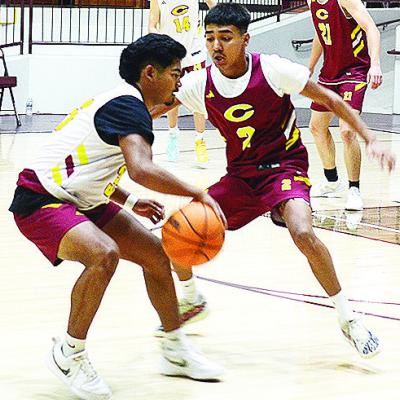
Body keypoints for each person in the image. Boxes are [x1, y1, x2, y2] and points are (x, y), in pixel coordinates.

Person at [151, 3, 395, 357]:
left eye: (226, 38)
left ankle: (348, 319)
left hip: (284, 167)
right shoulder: (199, 82)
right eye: (210, 38)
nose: (216, 46)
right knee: (179, 231)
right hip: (241, 177)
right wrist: (108, 127)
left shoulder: (274, 69)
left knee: (302, 231)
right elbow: (153, 108)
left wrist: (370, 138)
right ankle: (192, 301)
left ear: (245, 39)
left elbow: (330, 98)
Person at [8, 34, 226, 400]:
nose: (180, 81)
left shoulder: (121, 101)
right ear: (150, 73)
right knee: (102, 254)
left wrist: (127, 200)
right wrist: (197, 192)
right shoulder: (128, 105)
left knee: (156, 255)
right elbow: (141, 168)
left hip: (80, 196)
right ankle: (69, 354)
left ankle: (174, 348)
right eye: (176, 73)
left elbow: (89, 165)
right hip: (41, 198)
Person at [307, 0, 383, 210]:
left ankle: (354, 189)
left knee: (347, 131)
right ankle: (332, 181)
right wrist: (310, 67)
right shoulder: (312, 2)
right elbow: (321, 35)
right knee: (316, 127)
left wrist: (375, 64)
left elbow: (372, 29)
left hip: (354, 72)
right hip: (329, 73)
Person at [148, 0, 216, 165]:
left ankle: (200, 140)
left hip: (194, 50)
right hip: (172, 52)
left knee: (198, 95)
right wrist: (159, 41)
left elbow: (214, 6)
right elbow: (151, 25)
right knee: (172, 95)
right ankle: (172, 135)